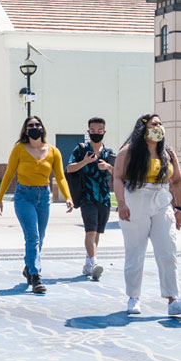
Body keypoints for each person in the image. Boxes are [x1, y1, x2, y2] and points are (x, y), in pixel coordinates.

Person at [113, 114, 181, 316]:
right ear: (143, 129)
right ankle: (133, 297)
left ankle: (173, 299)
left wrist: (180, 209)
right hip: (136, 199)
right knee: (135, 252)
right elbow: (117, 177)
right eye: (154, 124)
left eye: (160, 124)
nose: (159, 127)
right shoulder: (129, 152)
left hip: (161, 200)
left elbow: (177, 181)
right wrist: (122, 204)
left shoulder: (167, 152)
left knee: (168, 249)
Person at [0, 116, 73, 294]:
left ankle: (29, 266)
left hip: (44, 196)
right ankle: (36, 276)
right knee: (33, 236)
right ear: (25, 130)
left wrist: (68, 197)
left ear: (43, 128)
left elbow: (60, 176)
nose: (35, 127)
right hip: (24, 196)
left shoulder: (53, 151)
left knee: (41, 237)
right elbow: (8, 174)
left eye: (38, 125)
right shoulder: (19, 149)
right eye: (31, 126)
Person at [67, 117, 115, 280]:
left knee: (98, 232)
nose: (96, 133)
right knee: (90, 230)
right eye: (93, 131)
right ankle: (94, 262)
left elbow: (119, 173)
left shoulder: (109, 153)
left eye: (99, 130)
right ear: (88, 132)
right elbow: (69, 168)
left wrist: (108, 167)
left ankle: (88, 263)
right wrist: (85, 161)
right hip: (87, 196)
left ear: (104, 131)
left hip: (103, 197)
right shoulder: (81, 150)